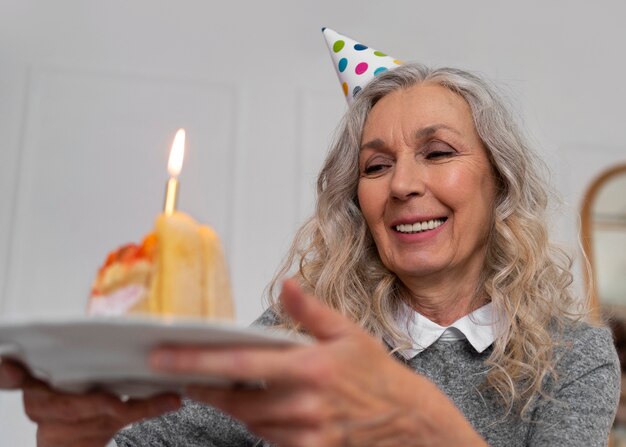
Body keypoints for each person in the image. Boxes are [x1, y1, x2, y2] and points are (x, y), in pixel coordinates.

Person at [0, 62, 620, 446]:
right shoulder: (291, 341)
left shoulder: (575, 359)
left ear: (499, 183)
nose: (403, 184)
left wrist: (425, 430)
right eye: (376, 166)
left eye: (438, 153)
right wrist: (70, 440)